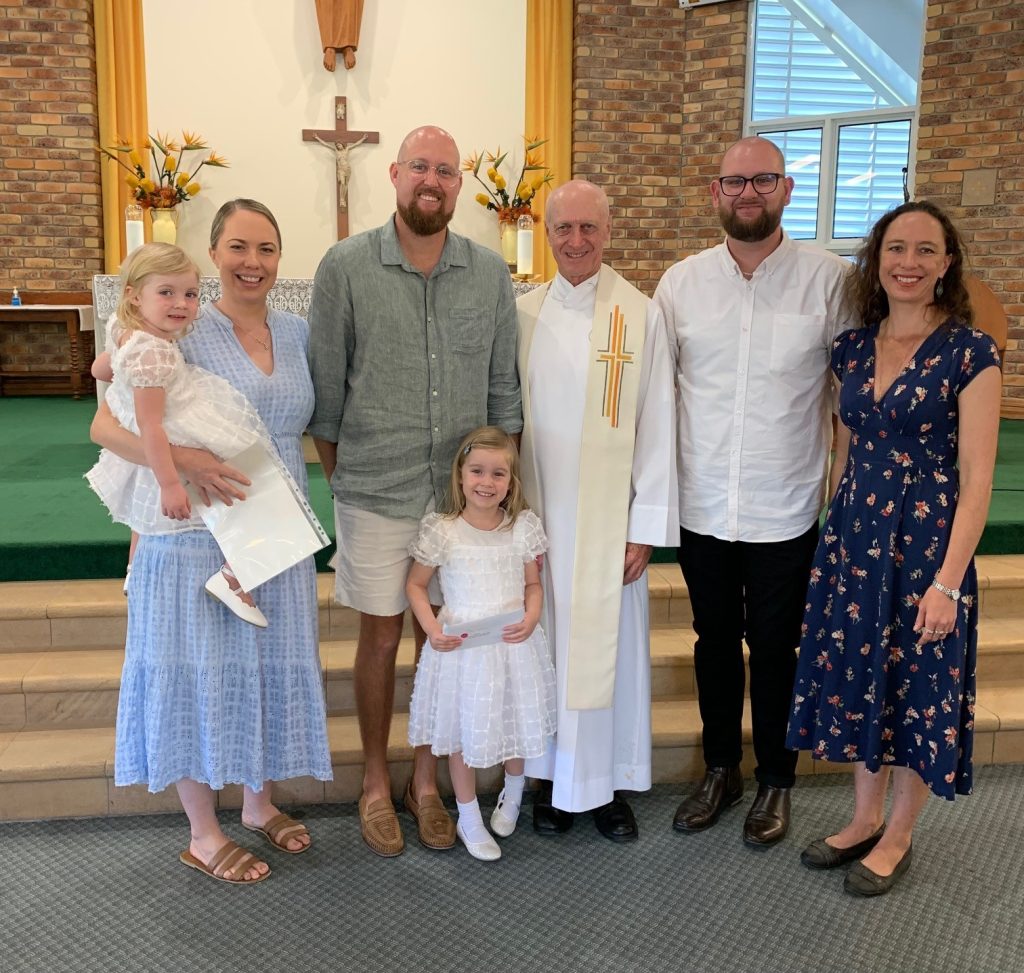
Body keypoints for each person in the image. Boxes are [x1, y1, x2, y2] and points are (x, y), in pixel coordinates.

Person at [91, 199, 332, 884]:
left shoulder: (297, 330)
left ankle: (258, 803)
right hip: (196, 526)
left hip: (273, 524)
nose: (252, 262)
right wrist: (187, 464)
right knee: (197, 671)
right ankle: (202, 834)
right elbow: (105, 428)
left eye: (266, 248)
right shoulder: (181, 326)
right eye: (238, 247)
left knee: (265, 664)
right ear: (215, 253)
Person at [307, 125, 522, 857]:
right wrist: (348, 480)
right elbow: (327, 394)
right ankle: (375, 779)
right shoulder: (346, 266)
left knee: (446, 639)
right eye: (420, 167)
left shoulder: (487, 273)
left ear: (460, 184)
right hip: (376, 488)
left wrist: (495, 499)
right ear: (395, 174)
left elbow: (502, 389)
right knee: (381, 635)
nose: (433, 180)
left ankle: (424, 783)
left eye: (446, 171)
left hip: (461, 501)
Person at [786, 201, 1001, 896]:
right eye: (896, 248)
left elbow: (978, 481)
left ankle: (900, 833)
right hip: (856, 540)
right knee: (864, 679)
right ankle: (863, 818)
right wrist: (831, 538)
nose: (909, 262)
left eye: (925, 250)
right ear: (877, 261)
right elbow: (844, 452)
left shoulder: (971, 353)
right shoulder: (852, 348)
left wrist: (948, 582)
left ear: (946, 264)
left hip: (927, 547)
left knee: (917, 689)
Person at [653, 136, 853, 847]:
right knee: (713, 642)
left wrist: (839, 492)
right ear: (716, 192)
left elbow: (849, 397)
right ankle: (721, 768)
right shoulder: (681, 284)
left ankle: (776, 778)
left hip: (785, 504)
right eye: (734, 182)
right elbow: (659, 395)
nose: (747, 193)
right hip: (704, 501)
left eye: (762, 180)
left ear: (786, 189)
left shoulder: (830, 281)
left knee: (775, 648)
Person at [517, 179, 678, 841]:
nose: (577, 240)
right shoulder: (522, 314)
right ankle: (551, 782)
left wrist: (644, 526)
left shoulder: (640, 315)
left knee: (610, 651)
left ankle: (606, 785)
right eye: (565, 228)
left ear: (609, 231)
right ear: (547, 233)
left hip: (611, 525)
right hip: (539, 519)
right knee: (546, 648)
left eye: (590, 227)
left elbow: (659, 422)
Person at [86, 243, 271, 626]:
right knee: (246, 479)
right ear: (134, 295)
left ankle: (134, 568)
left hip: (164, 409)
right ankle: (232, 577)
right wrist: (170, 483)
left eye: (190, 294)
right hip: (180, 422)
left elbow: (99, 369)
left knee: (145, 510)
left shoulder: (125, 329)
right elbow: (152, 426)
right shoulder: (152, 354)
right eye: (166, 292)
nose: (181, 304)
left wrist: (123, 372)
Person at [405, 426, 556, 861]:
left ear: (511, 481)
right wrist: (432, 629)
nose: (486, 482)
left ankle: (513, 792)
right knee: (462, 734)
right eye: (477, 471)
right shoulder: (443, 530)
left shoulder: (521, 527)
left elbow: (533, 584)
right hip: (462, 650)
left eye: (498, 474)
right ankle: (469, 816)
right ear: (460, 474)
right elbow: (416, 585)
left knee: (516, 722)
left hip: (512, 644)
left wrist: (531, 616)